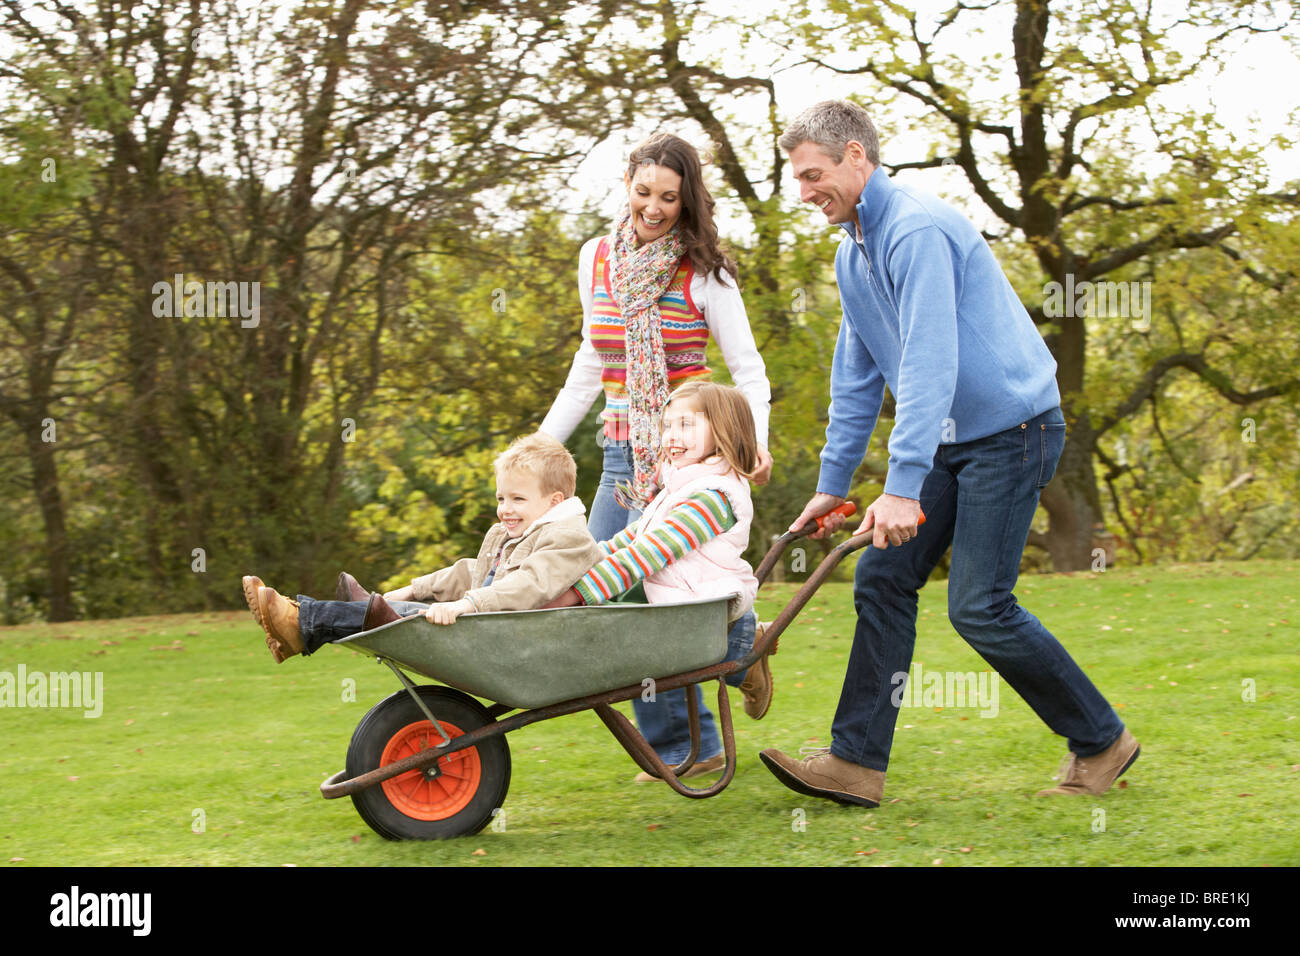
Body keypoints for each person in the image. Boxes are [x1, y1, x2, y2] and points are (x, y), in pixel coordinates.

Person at [760, 100, 1138, 807]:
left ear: (856, 159)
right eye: (799, 180)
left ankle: (1102, 739)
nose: (806, 192)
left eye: (814, 176)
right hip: (952, 439)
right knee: (881, 578)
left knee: (980, 606)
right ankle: (856, 763)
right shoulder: (854, 253)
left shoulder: (916, 230)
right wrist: (832, 483)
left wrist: (901, 487)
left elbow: (931, 360)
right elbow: (859, 374)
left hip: (1013, 430)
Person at [539, 132, 776, 776]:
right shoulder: (596, 260)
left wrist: (755, 441)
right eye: (644, 192)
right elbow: (594, 359)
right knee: (611, 594)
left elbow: (748, 373)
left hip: (692, 462)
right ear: (627, 185)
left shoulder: (706, 274)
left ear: (686, 199)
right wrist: (543, 443)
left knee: (664, 597)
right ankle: (691, 734)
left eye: (669, 197)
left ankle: (719, 689)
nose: (654, 207)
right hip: (622, 456)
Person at [546, 382, 769, 779]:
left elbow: (648, 555)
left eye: (685, 424)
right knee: (636, 636)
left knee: (650, 640)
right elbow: (631, 540)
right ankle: (744, 656)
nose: (671, 436)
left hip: (703, 613)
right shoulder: (679, 484)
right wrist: (580, 563)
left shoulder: (712, 498)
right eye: (667, 426)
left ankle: (746, 646)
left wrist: (577, 594)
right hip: (677, 606)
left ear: (723, 431)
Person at [241, 433, 605, 661]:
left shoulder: (568, 538)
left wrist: (468, 603)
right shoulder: (512, 533)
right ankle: (312, 625)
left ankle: (305, 620)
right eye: (501, 497)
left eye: (518, 499)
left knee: (404, 619)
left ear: (555, 501)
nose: (505, 508)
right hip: (489, 626)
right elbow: (470, 572)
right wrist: (414, 587)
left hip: (516, 641)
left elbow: (531, 585)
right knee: (401, 611)